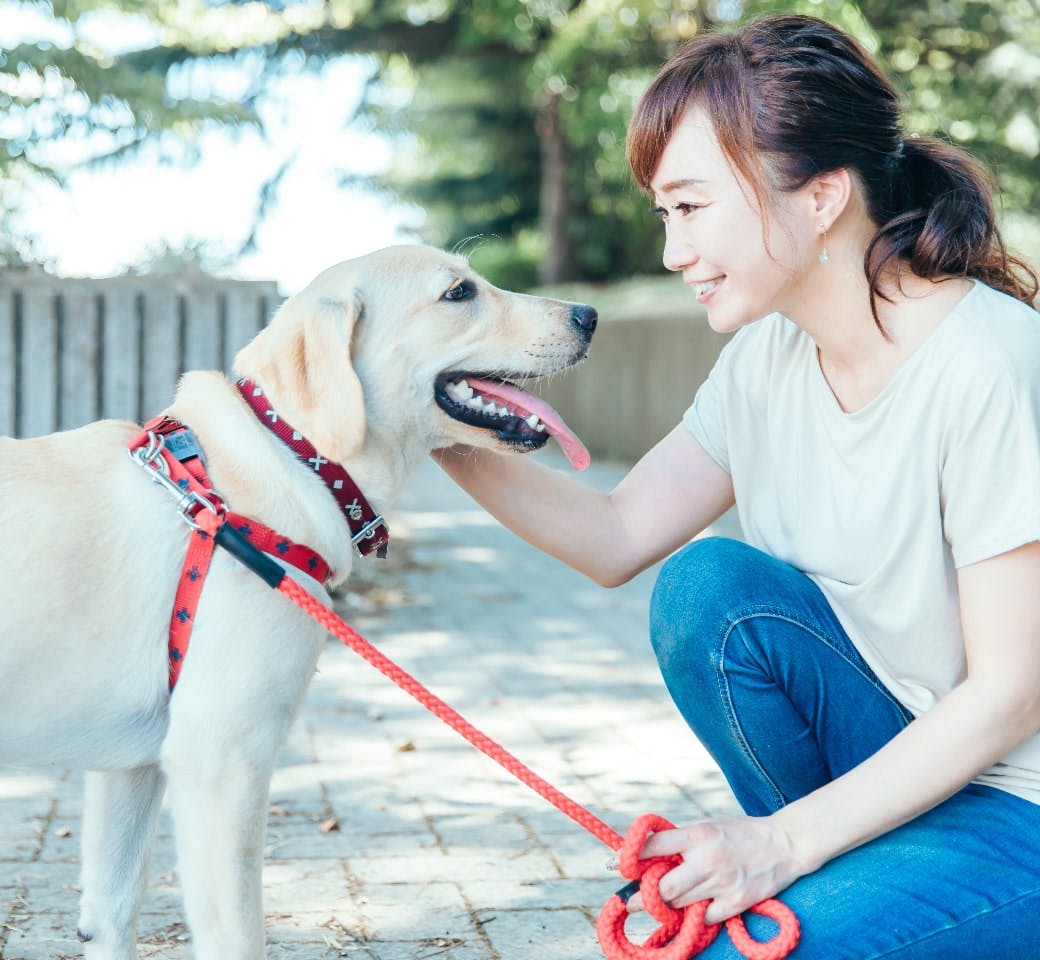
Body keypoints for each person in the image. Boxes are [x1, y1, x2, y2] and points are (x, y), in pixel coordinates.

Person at [435, 13, 1040, 959]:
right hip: (907, 759)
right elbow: (617, 535)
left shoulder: (990, 365)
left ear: (822, 197)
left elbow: (1012, 692)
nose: (674, 251)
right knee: (706, 591)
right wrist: (436, 427)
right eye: (664, 213)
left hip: (1024, 813)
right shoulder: (768, 355)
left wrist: (776, 845)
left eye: (692, 206)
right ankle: (869, 886)